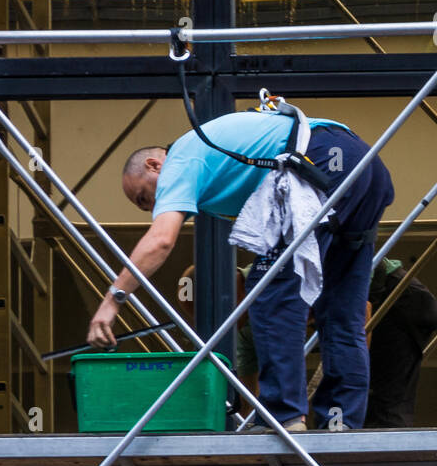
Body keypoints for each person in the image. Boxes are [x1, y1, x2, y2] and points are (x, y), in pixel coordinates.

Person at [89, 106, 394, 434]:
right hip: (363, 168)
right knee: (339, 312)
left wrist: (112, 301)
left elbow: (161, 240)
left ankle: (284, 416)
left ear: (154, 164)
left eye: (144, 197)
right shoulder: (214, 166)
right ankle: (341, 422)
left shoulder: (182, 158)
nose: (150, 206)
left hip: (319, 162)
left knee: (270, 295)